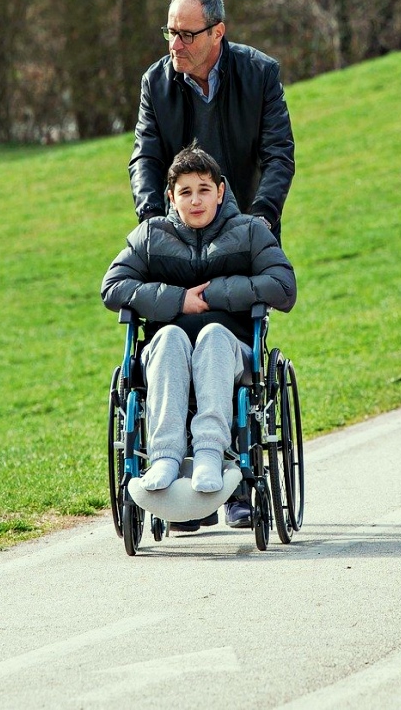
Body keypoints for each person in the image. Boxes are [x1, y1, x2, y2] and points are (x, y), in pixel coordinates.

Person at [102, 145, 296, 520]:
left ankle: (209, 453)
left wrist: (215, 294)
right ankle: (164, 458)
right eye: (185, 192)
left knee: (212, 336)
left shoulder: (250, 232)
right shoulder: (149, 236)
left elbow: (283, 286)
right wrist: (179, 301)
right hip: (165, 351)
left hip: (231, 350)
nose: (195, 200)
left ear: (220, 192)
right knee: (171, 338)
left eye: (204, 190)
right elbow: (112, 287)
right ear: (171, 197)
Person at [129, 0, 295, 242]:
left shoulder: (261, 74)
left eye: (187, 35)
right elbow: (145, 159)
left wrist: (262, 218)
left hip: (249, 229)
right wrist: (151, 221)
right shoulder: (154, 82)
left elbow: (279, 156)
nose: (175, 45)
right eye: (171, 32)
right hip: (180, 238)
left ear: (217, 33)